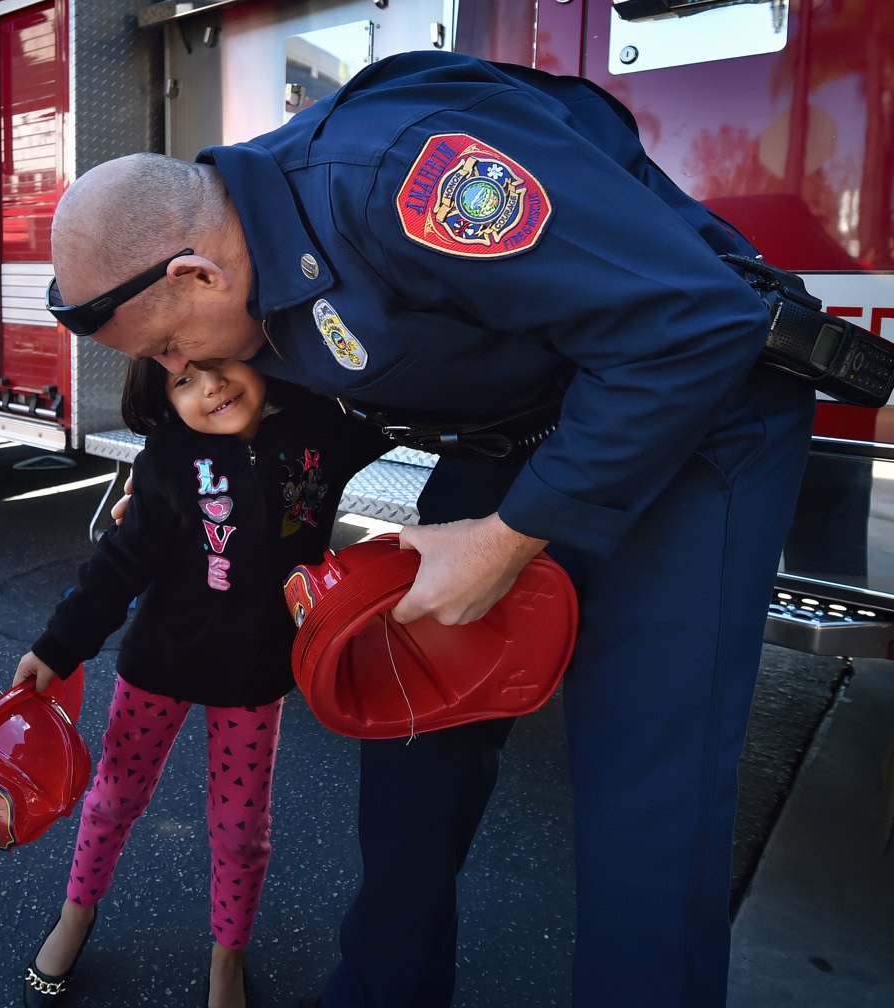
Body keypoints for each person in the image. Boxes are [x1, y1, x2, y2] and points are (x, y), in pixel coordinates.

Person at [45, 51, 816, 1008]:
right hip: (525, 423)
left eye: (168, 345)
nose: (176, 365)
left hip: (695, 405)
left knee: (640, 796)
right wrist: (173, 482)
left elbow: (694, 327)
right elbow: (333, 388)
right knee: (408, 723)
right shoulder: (250, 258)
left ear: (198, 271)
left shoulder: (402, 179)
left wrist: (506, 538)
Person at [15, 356, 387, 1008]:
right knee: (113, 801)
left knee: (242, 831)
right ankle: (76, 914)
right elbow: (120, 564)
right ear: (162, 395)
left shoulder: (319, 430)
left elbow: (396, 408)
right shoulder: (169, 458)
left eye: (220, 364)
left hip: (255, 675)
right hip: (160, 663)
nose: (210, 386)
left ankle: (227, 961)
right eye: (183, 380)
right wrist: (58, 645)